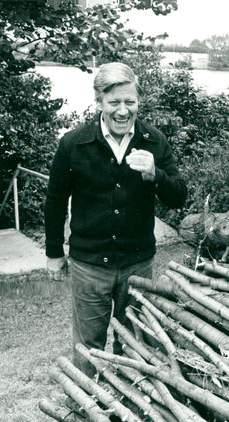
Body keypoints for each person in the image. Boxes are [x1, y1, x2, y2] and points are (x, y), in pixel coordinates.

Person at [44, 62, 187, 376]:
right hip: (89, 266)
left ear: (138, 101)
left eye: (130, 102)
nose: (123, 111)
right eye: (114, 103)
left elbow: (179, 197)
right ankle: (85, 416)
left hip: (138, 265)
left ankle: (130, 417)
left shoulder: (154, 140)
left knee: (137, 343)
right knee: (88, 349)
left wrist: (155, 175)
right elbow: (55, 201)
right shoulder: (74, 143)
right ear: (99, 102)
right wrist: (54, 252)